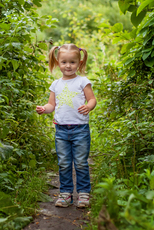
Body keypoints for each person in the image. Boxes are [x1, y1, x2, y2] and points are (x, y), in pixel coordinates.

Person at [35, 43, 97, 208]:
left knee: (81, 162)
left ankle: (83, 194)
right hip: (61, 130)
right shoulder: (56, 84)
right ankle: (65, 194)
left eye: (72, 62)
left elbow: (92, 99)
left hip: (80, 130)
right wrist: (44, 109)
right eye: (64, 62)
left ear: (79, 63)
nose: (68, 66)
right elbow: (51, 105)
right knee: (63, 162)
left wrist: (89, 106)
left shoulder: (83, 81)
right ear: (57, 62)